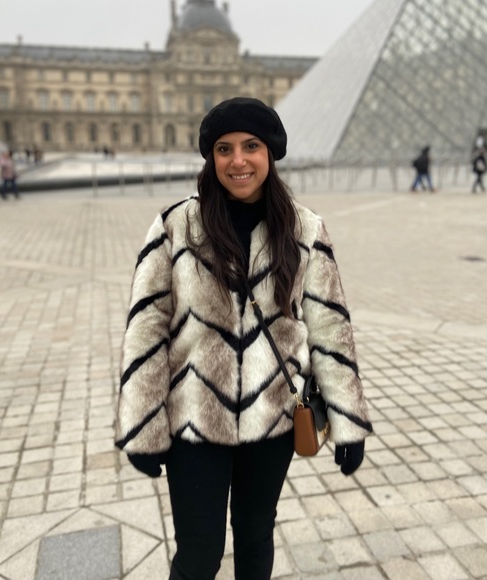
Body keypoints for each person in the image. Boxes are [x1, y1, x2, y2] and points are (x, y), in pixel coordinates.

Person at [115, 97, 373, 580]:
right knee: (198, 556)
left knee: (256, 539)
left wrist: (347, 419)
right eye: (224, 149)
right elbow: (146, 329)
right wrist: (142, 426)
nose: (238, 161)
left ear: (270, 153)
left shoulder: (305, 229)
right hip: (194, 420)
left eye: (251, 146)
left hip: (271, 420)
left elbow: (329, 328)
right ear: (210, 158)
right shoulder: (175, 226)